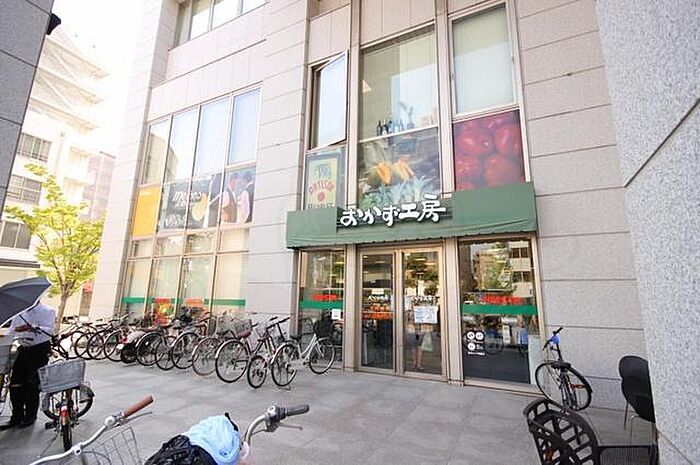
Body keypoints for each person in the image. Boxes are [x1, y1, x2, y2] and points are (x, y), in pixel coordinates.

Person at [0, 301, 55, 430]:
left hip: (39, 349)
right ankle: (16, 416)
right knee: (15, 383)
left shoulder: (47, 311)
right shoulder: (19, 313)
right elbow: (12, 331)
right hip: (23, 348)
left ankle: (30, 416)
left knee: (32, 384)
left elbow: (50, 330)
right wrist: (13, 332)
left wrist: (33, 327)